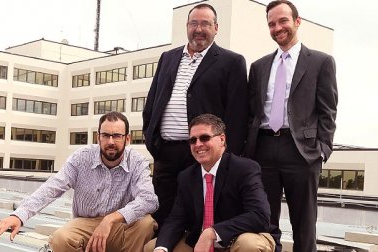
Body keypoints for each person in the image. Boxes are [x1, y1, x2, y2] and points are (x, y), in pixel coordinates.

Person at [142, 3, 248, 229]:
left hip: (204, 155)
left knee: (200, 219)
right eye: (194, 23)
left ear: (216, 28)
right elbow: (152, 103)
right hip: (166, 155)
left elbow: (237, 117)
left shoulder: (232, 62)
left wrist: (226, 158)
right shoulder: (168, 58)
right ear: (187, 26)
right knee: (161, 218)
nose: (199, 29)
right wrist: (153, 142)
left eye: (205, 24)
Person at [244, 1, 338, 251]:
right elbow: (252, 112)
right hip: (262, 149)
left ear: (297, 21)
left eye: (283, 21)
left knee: (304, 223)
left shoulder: (321, 62)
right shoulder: (259, 66)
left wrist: (322, 149)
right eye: (272, 24)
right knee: (263, 220)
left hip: (302, 151)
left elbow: (328, 110)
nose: (277, 27)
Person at [0, 111, 159, 252]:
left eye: (117, 136)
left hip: (121, 227)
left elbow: (149, 200)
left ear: (127, 139)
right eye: (105, 135)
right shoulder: (81, 158)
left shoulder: (137, 161)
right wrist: (19, 215)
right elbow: (52, 188)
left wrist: (110, 219)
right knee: (60, 238)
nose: (111, 141)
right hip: (86, 224)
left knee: (145, 223)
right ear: (98, 137)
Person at [144, 114, 275, 252]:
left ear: (222, 139)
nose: (198, 144)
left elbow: (259, 216)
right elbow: (176, 219)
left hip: (240, 238)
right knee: (152, 248)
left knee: (249, 245)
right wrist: (162, 248)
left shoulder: (244, 169)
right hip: (200, 243)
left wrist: (213, 232)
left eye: (205, 138)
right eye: (193, 140)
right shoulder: (187, 176)